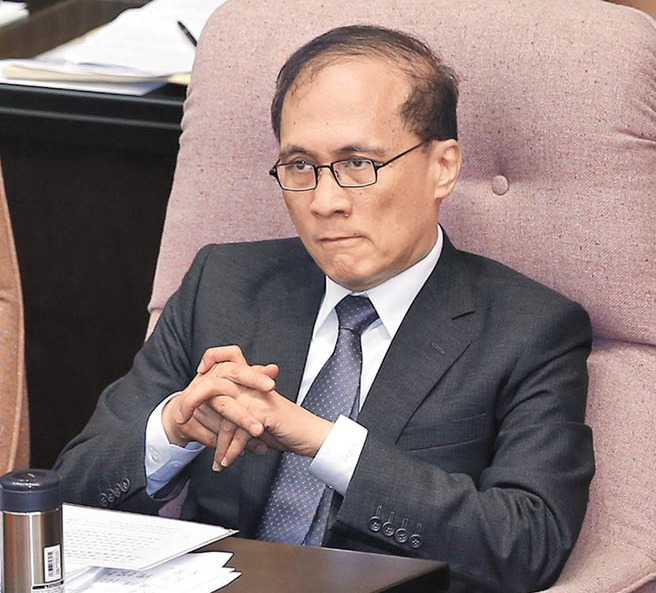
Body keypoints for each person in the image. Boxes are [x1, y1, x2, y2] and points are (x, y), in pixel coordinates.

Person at [54, 25, 595, 593]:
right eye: (300, 166)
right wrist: (172, 428)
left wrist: (320, 440)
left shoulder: (529, 328)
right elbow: (66, 495)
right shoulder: (223, 283)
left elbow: (525, 546)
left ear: (443, 167)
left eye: (358, 164)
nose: (325, 201)